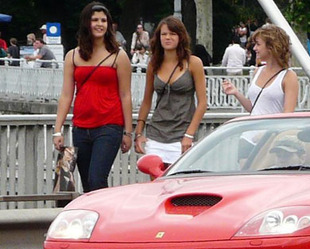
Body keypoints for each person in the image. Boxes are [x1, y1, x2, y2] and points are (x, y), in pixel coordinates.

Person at [52, 1, 133, 193]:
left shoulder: (118, 56)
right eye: (94, 19)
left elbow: (126, 95)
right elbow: (66, 95)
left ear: (109, 25)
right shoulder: (73, 55)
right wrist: (57, 130)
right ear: (86, 23)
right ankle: (95, 220)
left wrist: (128, 132)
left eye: (103, 20)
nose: (99, 24)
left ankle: (107, 219)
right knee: (87, 183)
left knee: (97, 179)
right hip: (81, 127)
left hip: (109, 125)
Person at [134, 16, 207, 169]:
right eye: (164, 34)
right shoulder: (153, 64)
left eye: (173, 34)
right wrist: (139, 133)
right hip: (156, 133)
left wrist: (189, 134)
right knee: (157, 184)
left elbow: (202, 103)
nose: (168, 37)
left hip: (182, 134)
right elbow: (147, 101)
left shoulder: (193, 63)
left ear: (181, 37)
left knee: (180, 183)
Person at [222, 24, 299, 116]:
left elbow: (288, 115)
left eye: (258, 44)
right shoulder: (257, 72)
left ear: (271, 47)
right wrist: (236, 93)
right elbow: (254, 108)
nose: (254, 48)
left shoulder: (289, 76)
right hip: (254, 128)